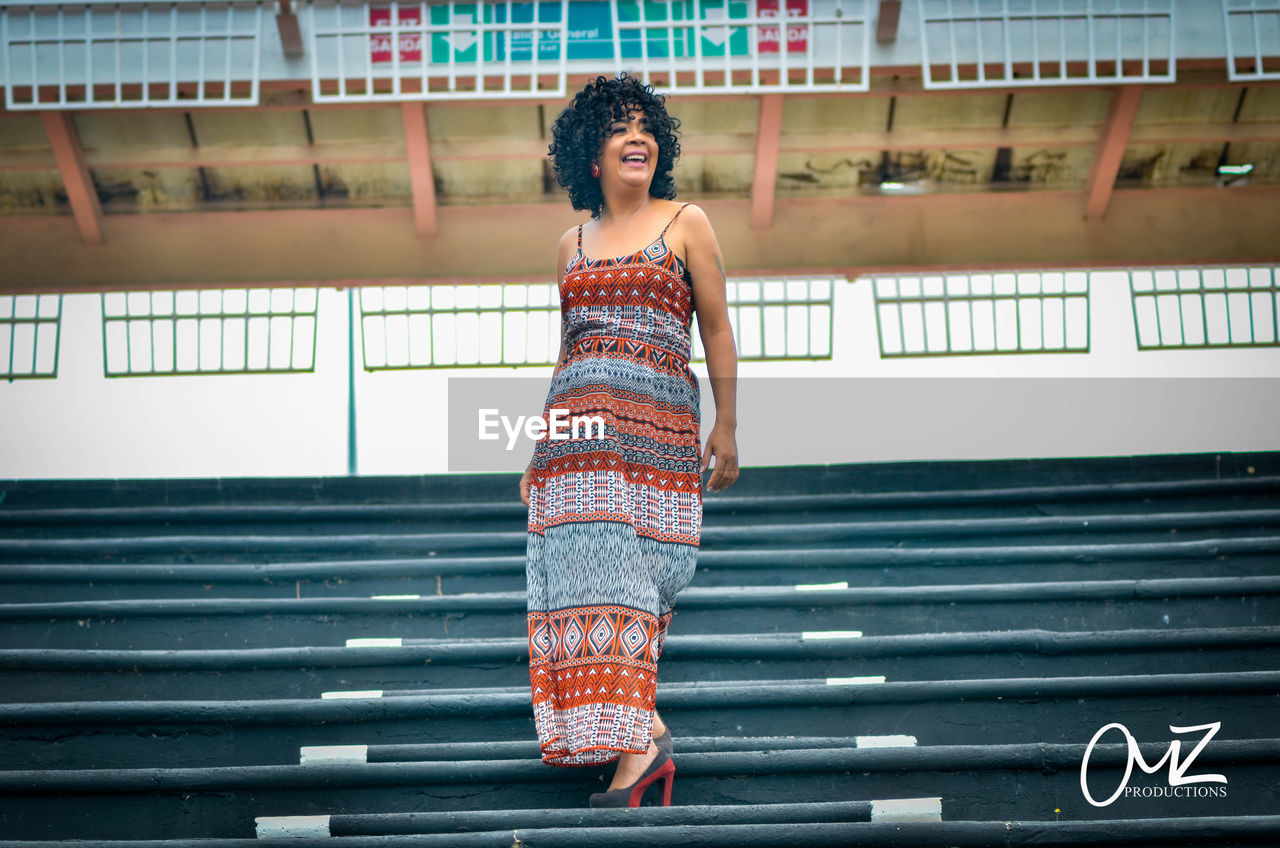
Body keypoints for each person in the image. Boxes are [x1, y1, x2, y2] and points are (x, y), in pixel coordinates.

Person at [518, 72, 740, 808]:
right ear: (592, 152)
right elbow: (567, 353)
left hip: (657, 436)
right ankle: (641, 741)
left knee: (642, 579)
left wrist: (727, 427)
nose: (636, 135)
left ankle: (642, 740)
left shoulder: (686, 223)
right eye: (618, 126)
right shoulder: (569, 245)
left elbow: (714, 329)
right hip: (580, 444)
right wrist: (539, 447)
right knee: (591, 581)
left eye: (646, 125)